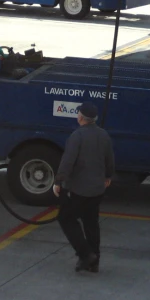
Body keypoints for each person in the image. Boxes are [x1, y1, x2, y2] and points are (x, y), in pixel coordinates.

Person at [53, 101, 115, 273]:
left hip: (79, 189)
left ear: (80, 117)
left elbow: (68, 161)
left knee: (65, 218)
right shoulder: (104, 135)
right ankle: (94, 260)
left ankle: (85, 254)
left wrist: (59, 181)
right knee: (91, 222)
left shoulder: (77, 136)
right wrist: (108, 176)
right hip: (97, 189)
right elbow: (110, 159)